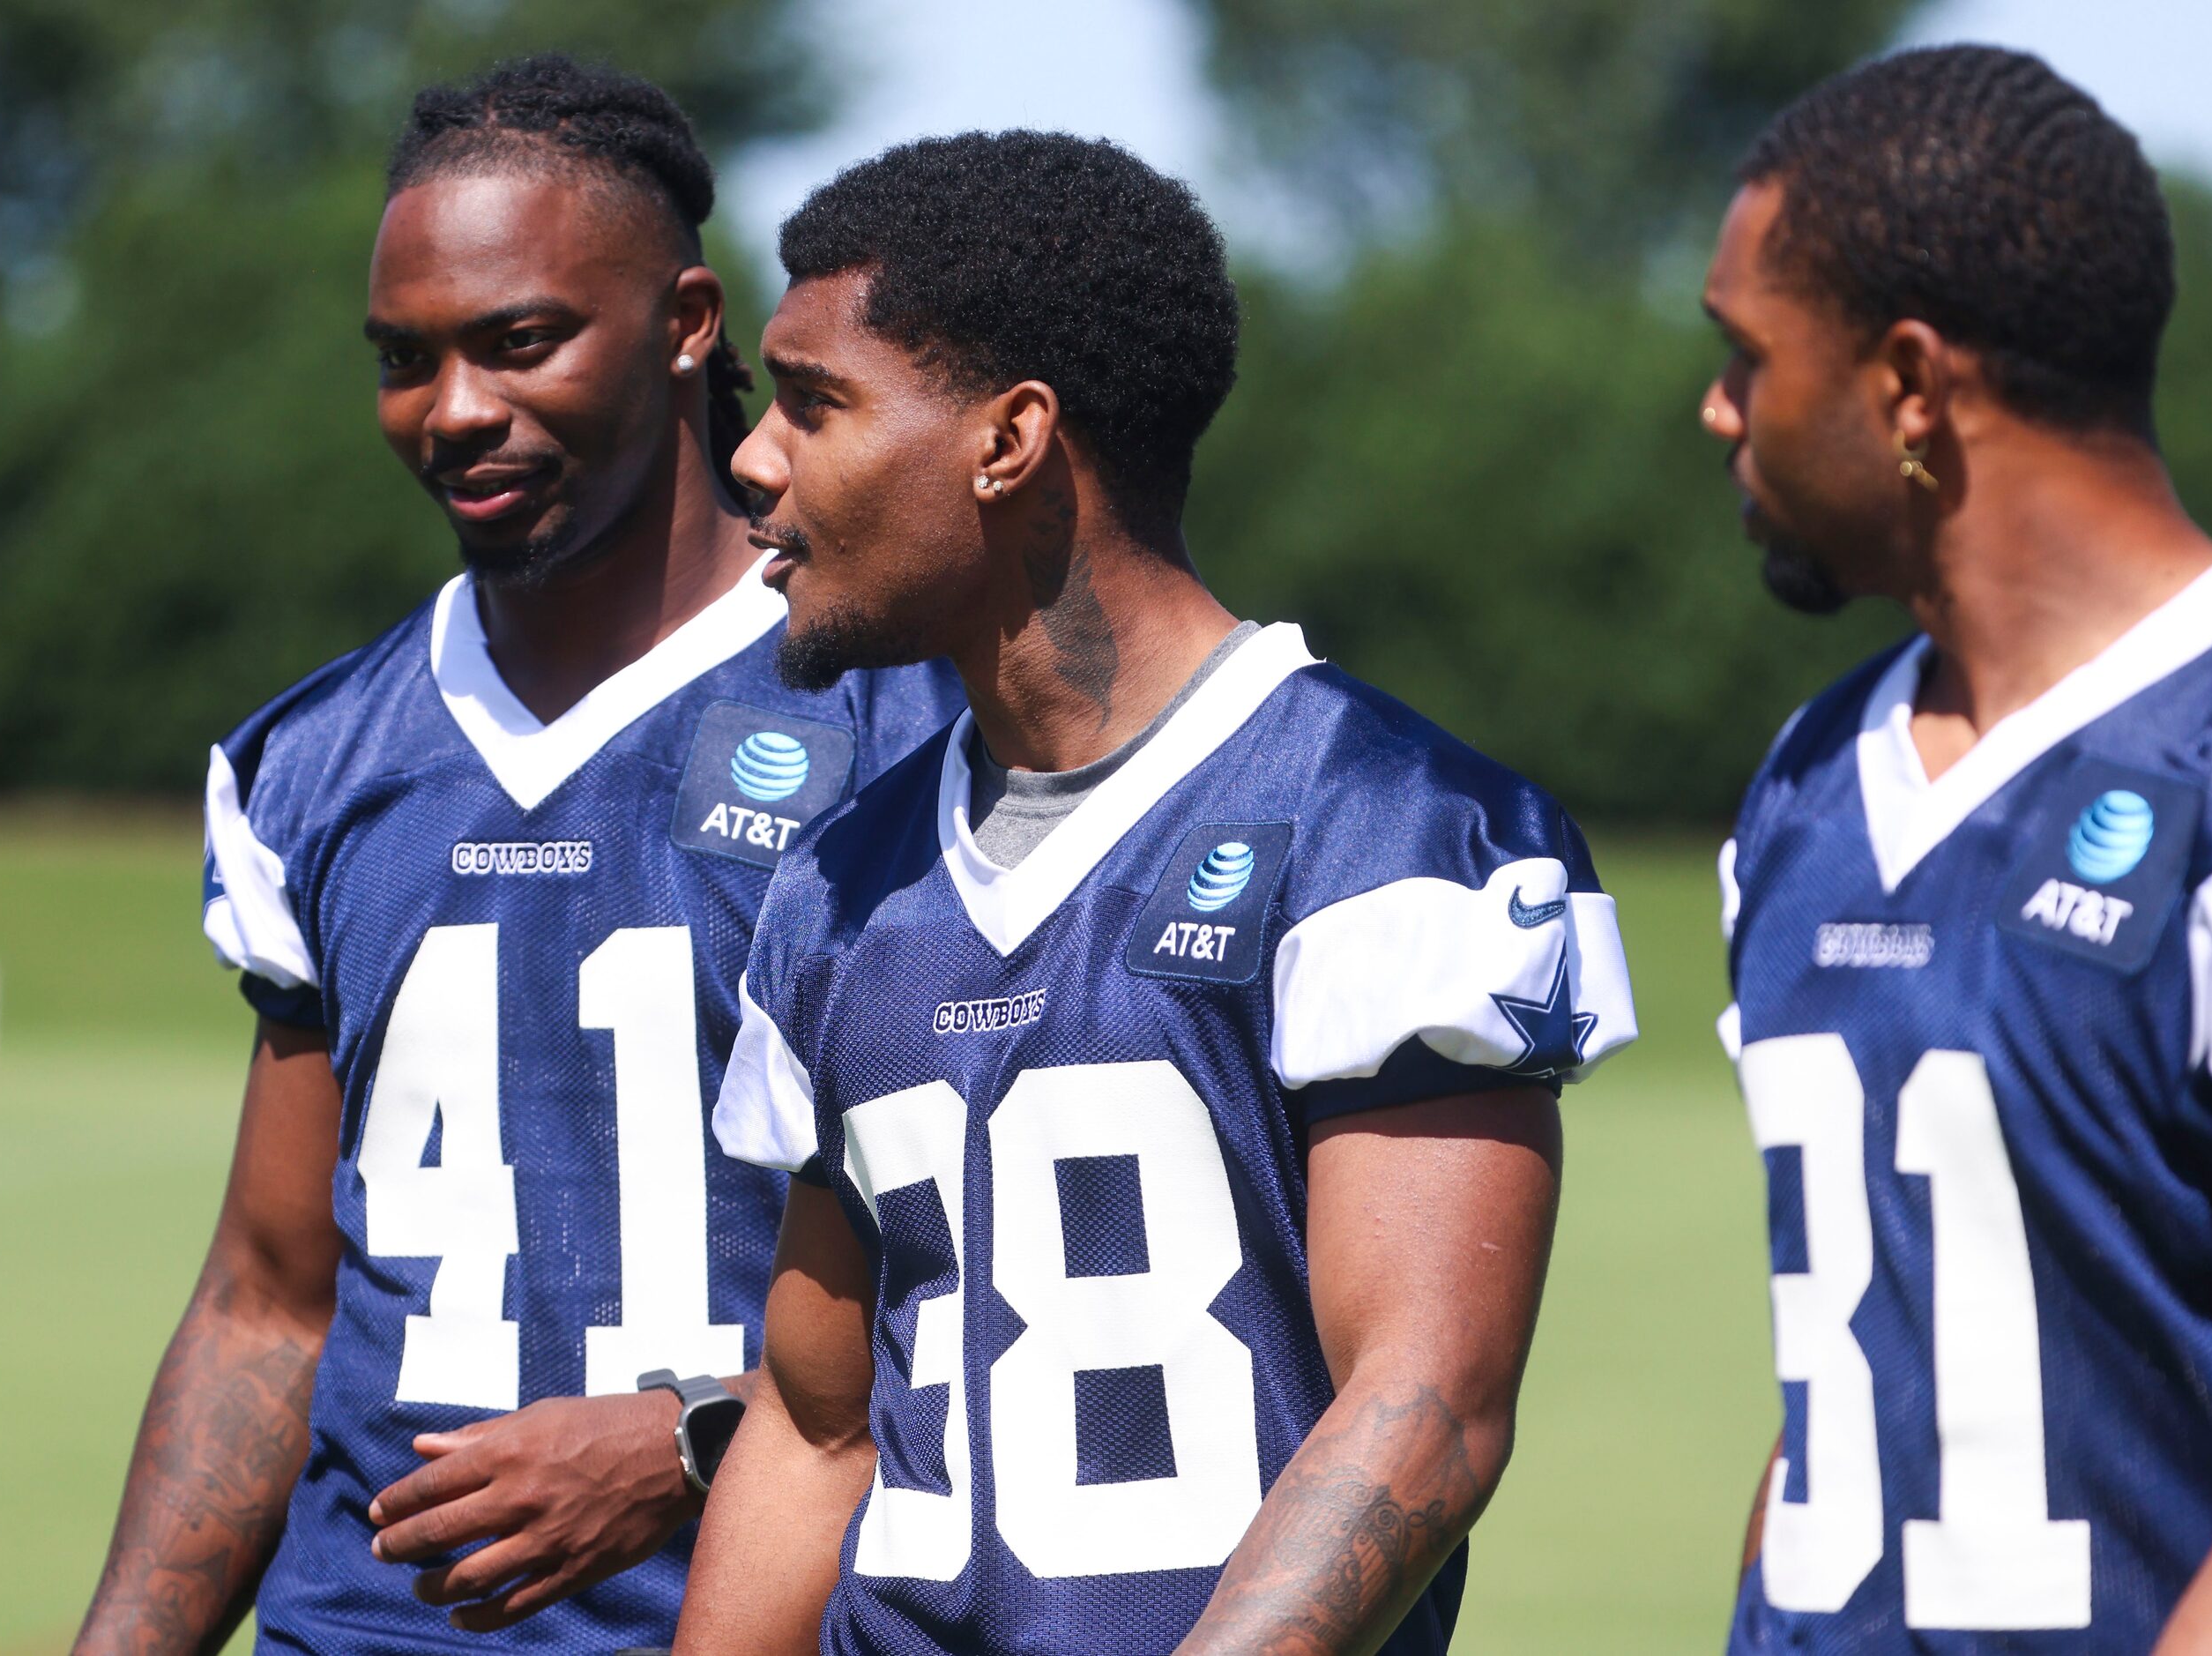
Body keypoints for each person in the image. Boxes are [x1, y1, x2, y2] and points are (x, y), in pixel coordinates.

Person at [671, 131, 1638, 1654]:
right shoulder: (834, 886)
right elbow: (811, 1430)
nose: (752, 456)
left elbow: (1426, 1408)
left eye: (815, 402)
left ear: (1009, 440)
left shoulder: (1389, 827)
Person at [73, 56, 962, 1653]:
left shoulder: (911, 727)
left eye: (521, 341)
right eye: (405, 359)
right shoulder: (312, 758)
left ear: (689, 323)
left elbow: (1022, 1290)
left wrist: (690, 1436)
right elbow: (271, 1298)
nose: (456, 408)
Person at [1702, 43, 2212, 1655]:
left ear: (1910, 381)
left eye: (1746, 355)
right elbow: (1863, 1380)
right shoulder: (1805, 787)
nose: (1718, 409)